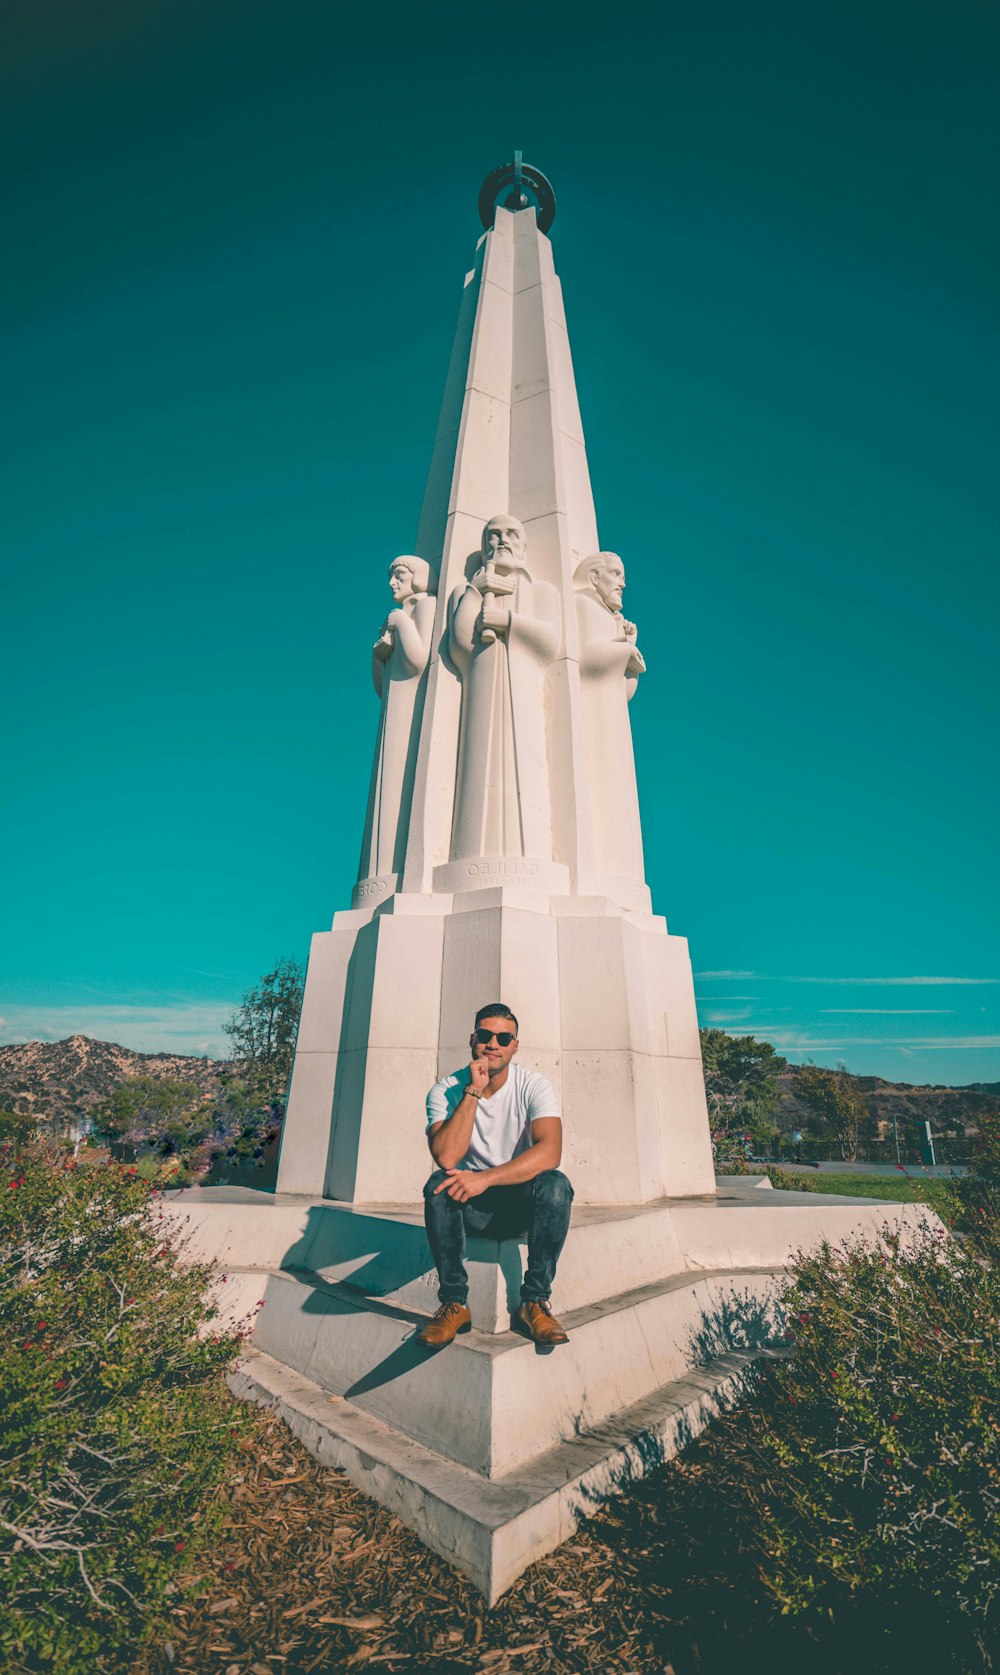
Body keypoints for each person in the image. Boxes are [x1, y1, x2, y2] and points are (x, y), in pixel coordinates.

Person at [418, 1002, 574, 1349]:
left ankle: (534, 1302)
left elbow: (550, 1152)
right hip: (471, 1207)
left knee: (556, 1185)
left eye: (504, 1038)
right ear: (473, 1038)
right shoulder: (445, 1090)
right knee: (438, 1186)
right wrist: (473, 1090)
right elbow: (446, 1156)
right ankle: (454, 1303)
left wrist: (485, 1178)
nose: (494, 1044)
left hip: (520, 1205)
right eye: (486, 1035)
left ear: (515, 1045)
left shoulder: (533, 1086)